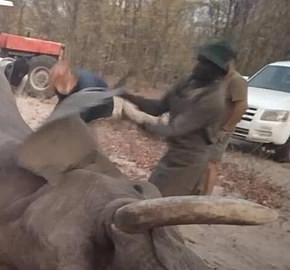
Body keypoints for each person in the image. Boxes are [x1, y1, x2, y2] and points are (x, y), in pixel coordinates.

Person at [121, 40, 232, 197]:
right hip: (173, 153)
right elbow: (159, 107)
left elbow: (175, 129)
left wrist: (136, 119)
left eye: (205, 64)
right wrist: (129, 97)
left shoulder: (213, 100)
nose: (198, 66)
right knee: (149, 195)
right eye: (199, 61)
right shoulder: (188, 82)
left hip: (189, 161)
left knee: (160, 205)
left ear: (215, 72)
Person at [203, 56, 248, 195]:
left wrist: (226, 128)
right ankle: (197, 191)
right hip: (208, 127)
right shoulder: (220, 79)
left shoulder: (237, 81)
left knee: (211, 163)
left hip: (221, 129)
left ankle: (206, 197)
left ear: (230, 63)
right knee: (200, 161)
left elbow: (242, 106)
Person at [49, 59, 113, 123]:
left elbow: (84, 112)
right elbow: (61, 103)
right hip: (80, 101)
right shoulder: (59, 84)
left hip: (101, 106)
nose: (59, 88)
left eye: (62, 85)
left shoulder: (87, 84)